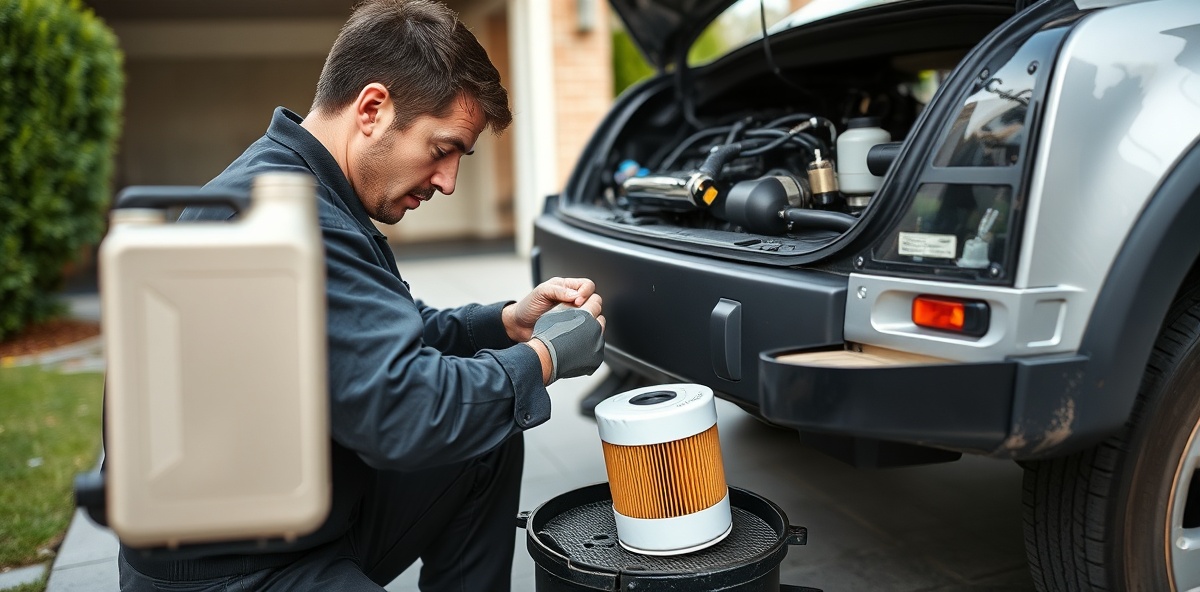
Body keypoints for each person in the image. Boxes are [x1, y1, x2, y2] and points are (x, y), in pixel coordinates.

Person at [115, 0, 606, 590]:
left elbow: (381, 338)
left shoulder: (299, 187)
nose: (449, 181)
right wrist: (546, 358)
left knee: (483, 443)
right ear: (372, 109)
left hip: (305, 517)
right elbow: (408, 412)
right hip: (232, 572)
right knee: (467, 417)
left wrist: (507, 323)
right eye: (442, 148)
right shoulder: (287, 221)